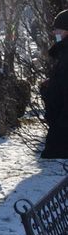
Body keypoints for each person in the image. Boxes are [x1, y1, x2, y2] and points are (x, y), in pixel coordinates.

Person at [41, 10, 68, 158]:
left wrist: (48, 90)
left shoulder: (65, 55)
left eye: (58, 29)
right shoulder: (62, 53)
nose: (54, 32)